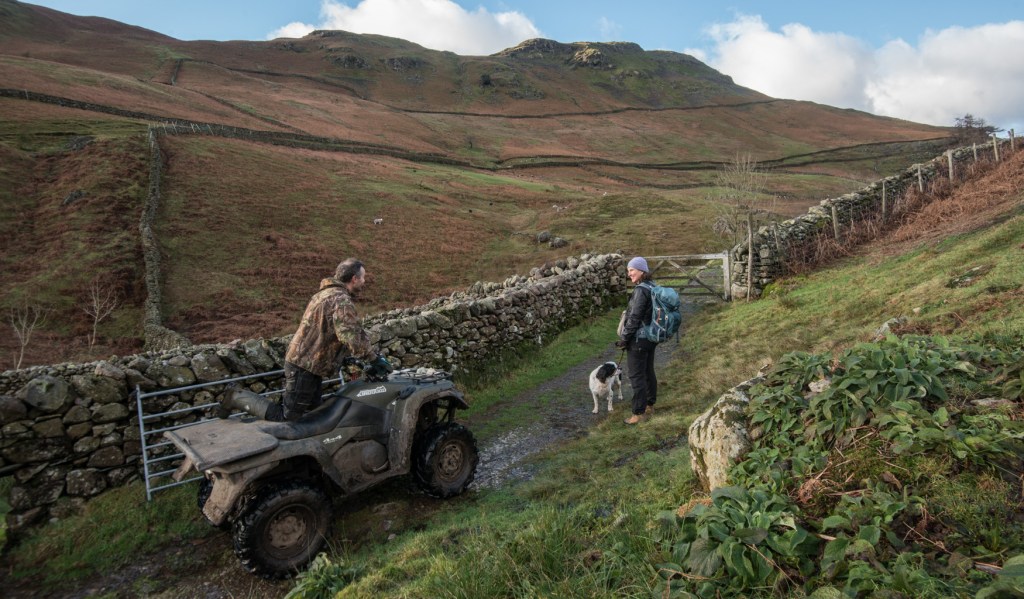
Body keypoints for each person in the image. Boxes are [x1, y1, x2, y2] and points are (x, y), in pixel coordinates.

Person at [219, 258, 391, 421]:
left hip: (311, 364)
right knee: (287, 416)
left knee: (313, 413)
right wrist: (373, 358)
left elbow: (335, 332)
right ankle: (236, 397)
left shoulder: (325, 294)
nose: (364, 282)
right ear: (354, 278)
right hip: (304, 365)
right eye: (363, 278)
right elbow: (350, 336)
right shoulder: (340, 300)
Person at [615, 256, 657, 425]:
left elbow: (634, 317)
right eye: (628, 270)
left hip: (639, 339)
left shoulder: (640, 290)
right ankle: (649, 405)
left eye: (632, 270)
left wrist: (624, 339)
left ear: (641, 271)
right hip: (650, 337)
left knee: (636, 375)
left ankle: (638, 413)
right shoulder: (652, 286)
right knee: (648, 371)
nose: (629, 273)